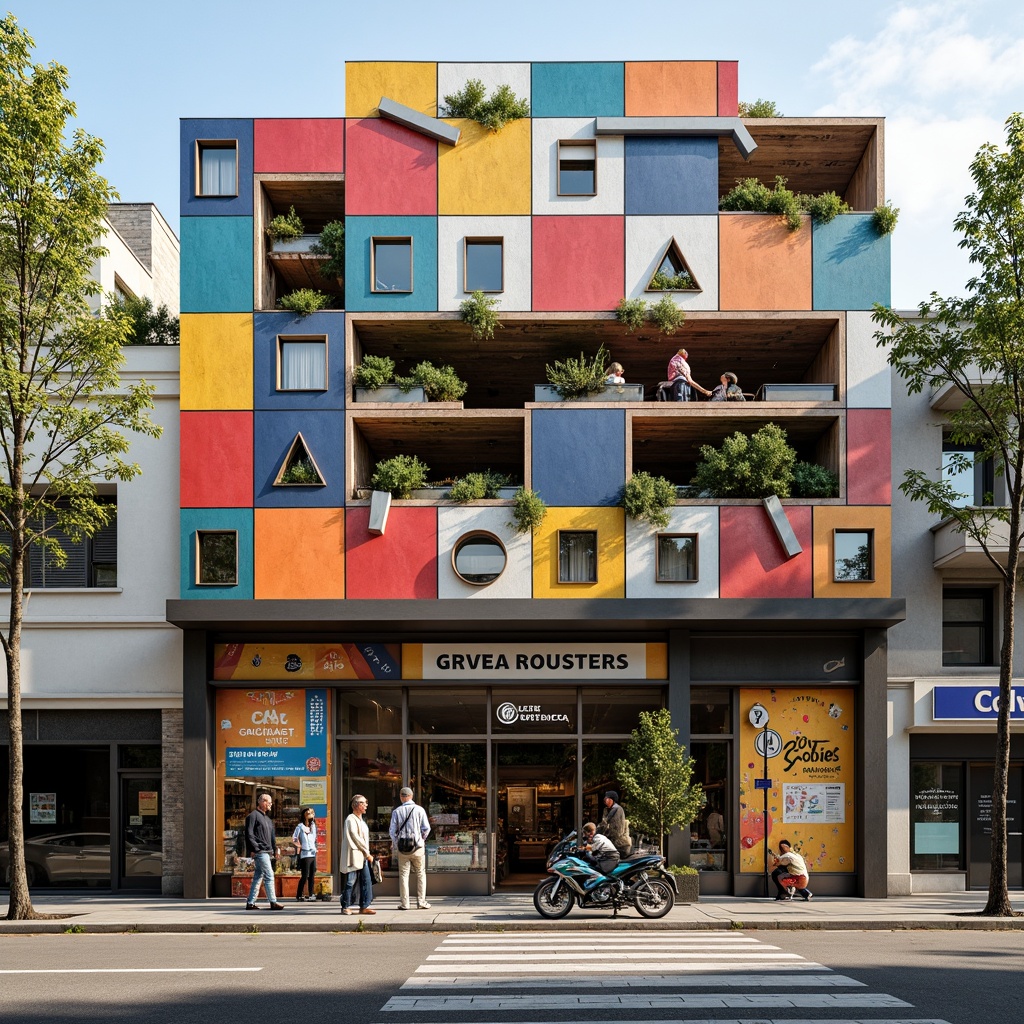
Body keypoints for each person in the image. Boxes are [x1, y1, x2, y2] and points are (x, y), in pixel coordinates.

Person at [389, 786, 432, 910]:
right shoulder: (419, 810)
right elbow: (426, 828)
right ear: (411, 796)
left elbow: (392, 831)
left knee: (403, 875)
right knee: (420, 874)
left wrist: (397, 842)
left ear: (401, 797)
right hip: (417, 847)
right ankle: (421, 902)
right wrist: (421, 840)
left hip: (403, 848)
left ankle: (405, 903)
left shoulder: (396, 811)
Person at [243, 792, 284, 911]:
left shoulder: (268, 820)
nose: (270, 804)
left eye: (270, 802)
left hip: (267, 851)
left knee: (258, 876)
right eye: (268, 802)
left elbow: (272, 837)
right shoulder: (253, 816)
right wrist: (256, 848)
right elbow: (249, 834)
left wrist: (275, 849)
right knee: (269, 875)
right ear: (261, 802)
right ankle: (273, 902)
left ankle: (250, 903)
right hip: (260, 852)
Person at [341, 794, 376, 915]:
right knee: (351, 881)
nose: (366, 805)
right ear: (356, 805)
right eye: (363, 802)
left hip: (362, 856)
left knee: (366, 881)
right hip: (355, 856)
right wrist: (367, 853)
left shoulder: (361, 820)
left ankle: (364, 905)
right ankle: (345, 905)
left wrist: (366, 853)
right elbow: (356, 838)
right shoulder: (351, 819)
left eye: (366, 802)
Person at [291, 806, 317, 902]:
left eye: (312, 813)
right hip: (305, 854)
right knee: (305, 875)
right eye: (309, 813)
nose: (311, 815)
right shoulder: (300, 827)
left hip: (313, 853)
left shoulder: (313, 826)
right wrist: (300, 845)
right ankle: (299, 894)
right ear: (305, 815)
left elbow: (315, 838)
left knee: (312, 875)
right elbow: (294, 838)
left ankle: (311, 894)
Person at [595, 790, 631, 858]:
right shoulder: (607, 810)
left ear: (612, 800)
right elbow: (603, 824)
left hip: (619, 845)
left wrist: (605, 836)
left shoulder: (617, 810)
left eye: (607, 798)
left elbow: (616, 830)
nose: (605, 800)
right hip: (610, 843)